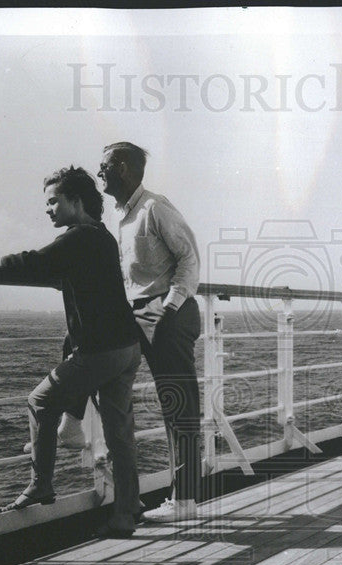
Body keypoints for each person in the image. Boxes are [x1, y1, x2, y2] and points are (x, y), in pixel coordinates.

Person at [0, 166, 142, 537]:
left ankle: (42, 484)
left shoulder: (79, 237)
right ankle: (126, 513)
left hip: (102, 351)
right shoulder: (102, 237)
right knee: (119, 433)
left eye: (53, 201)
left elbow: (35, 260)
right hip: (127, 347)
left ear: (76, 202)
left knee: (40, 401)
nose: (48, 209)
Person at [99, 141, 202, 523]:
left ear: (123, 168)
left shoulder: (155, 208)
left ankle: (186, 500)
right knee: (109, 386)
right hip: (133, 313)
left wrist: (170, 308)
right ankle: (130, 499)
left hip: (164, 312)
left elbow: (189, 258)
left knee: (178, 406)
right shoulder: (120, 217)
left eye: (104, 165)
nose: (99, 173)